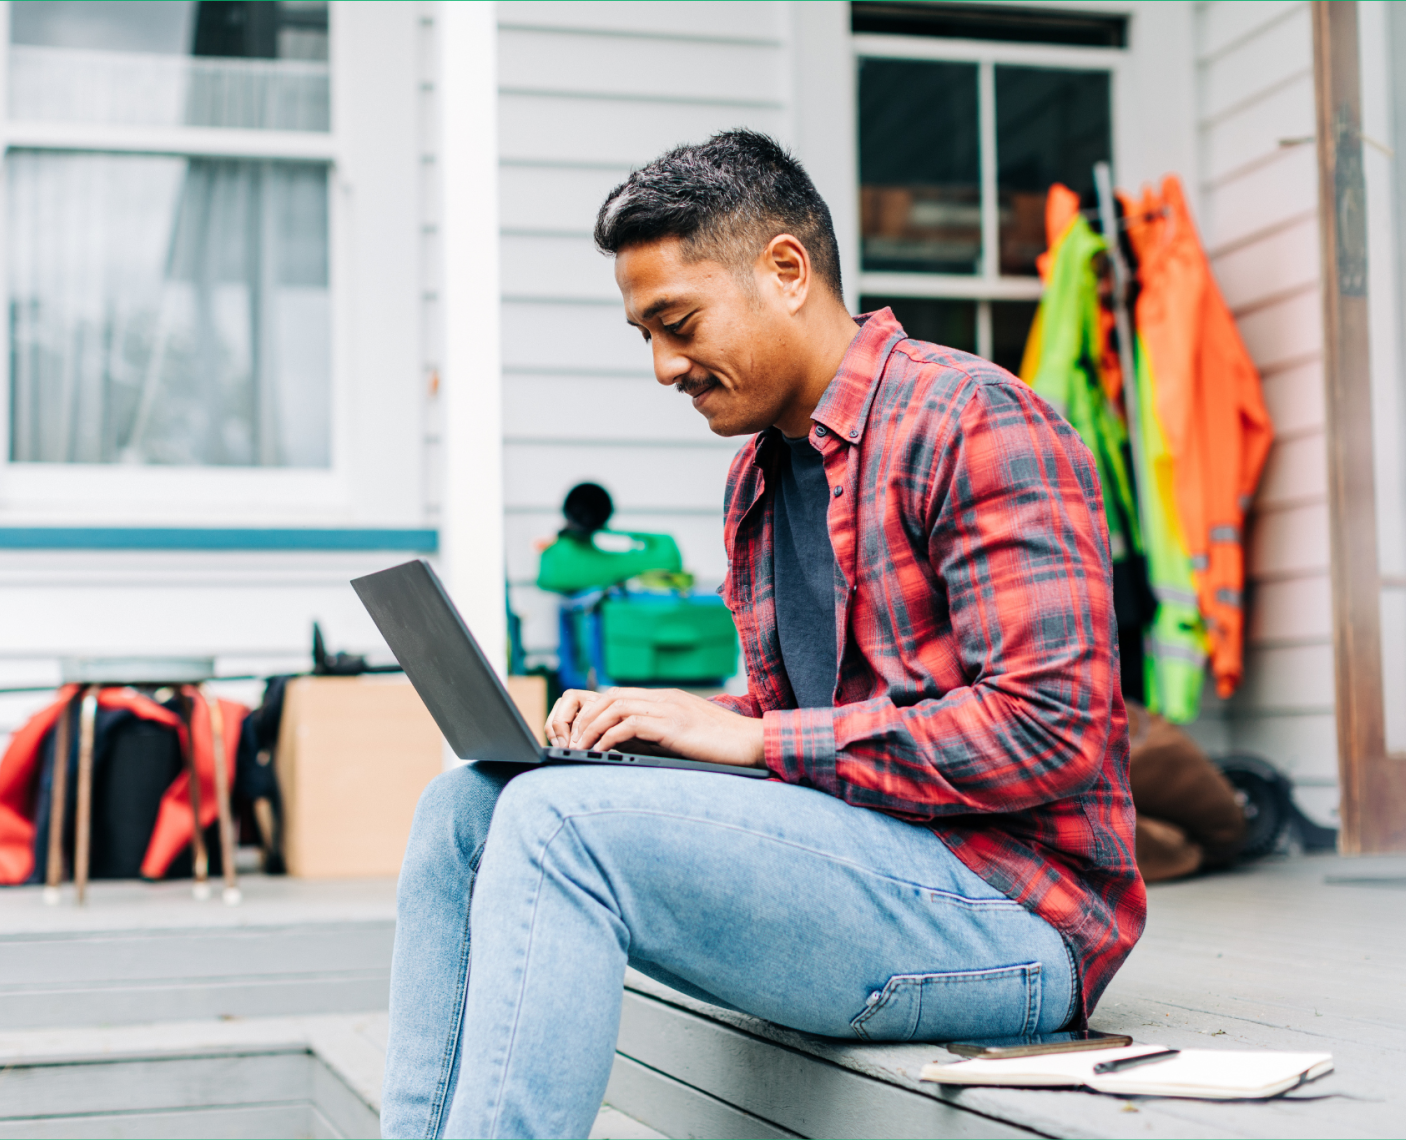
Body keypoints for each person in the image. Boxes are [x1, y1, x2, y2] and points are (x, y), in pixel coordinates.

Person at [382, 131, 1144, 1139]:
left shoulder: (975, 422)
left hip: (1013, 918)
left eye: (677, 321)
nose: (661, 366)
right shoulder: (762, 474)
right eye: (642, 334)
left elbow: (1049, 729)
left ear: (786, 271)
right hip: (868, 863)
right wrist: (695, 723)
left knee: (558, 828)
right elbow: (823, 728)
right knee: (469, 806)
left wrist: (750, 738)